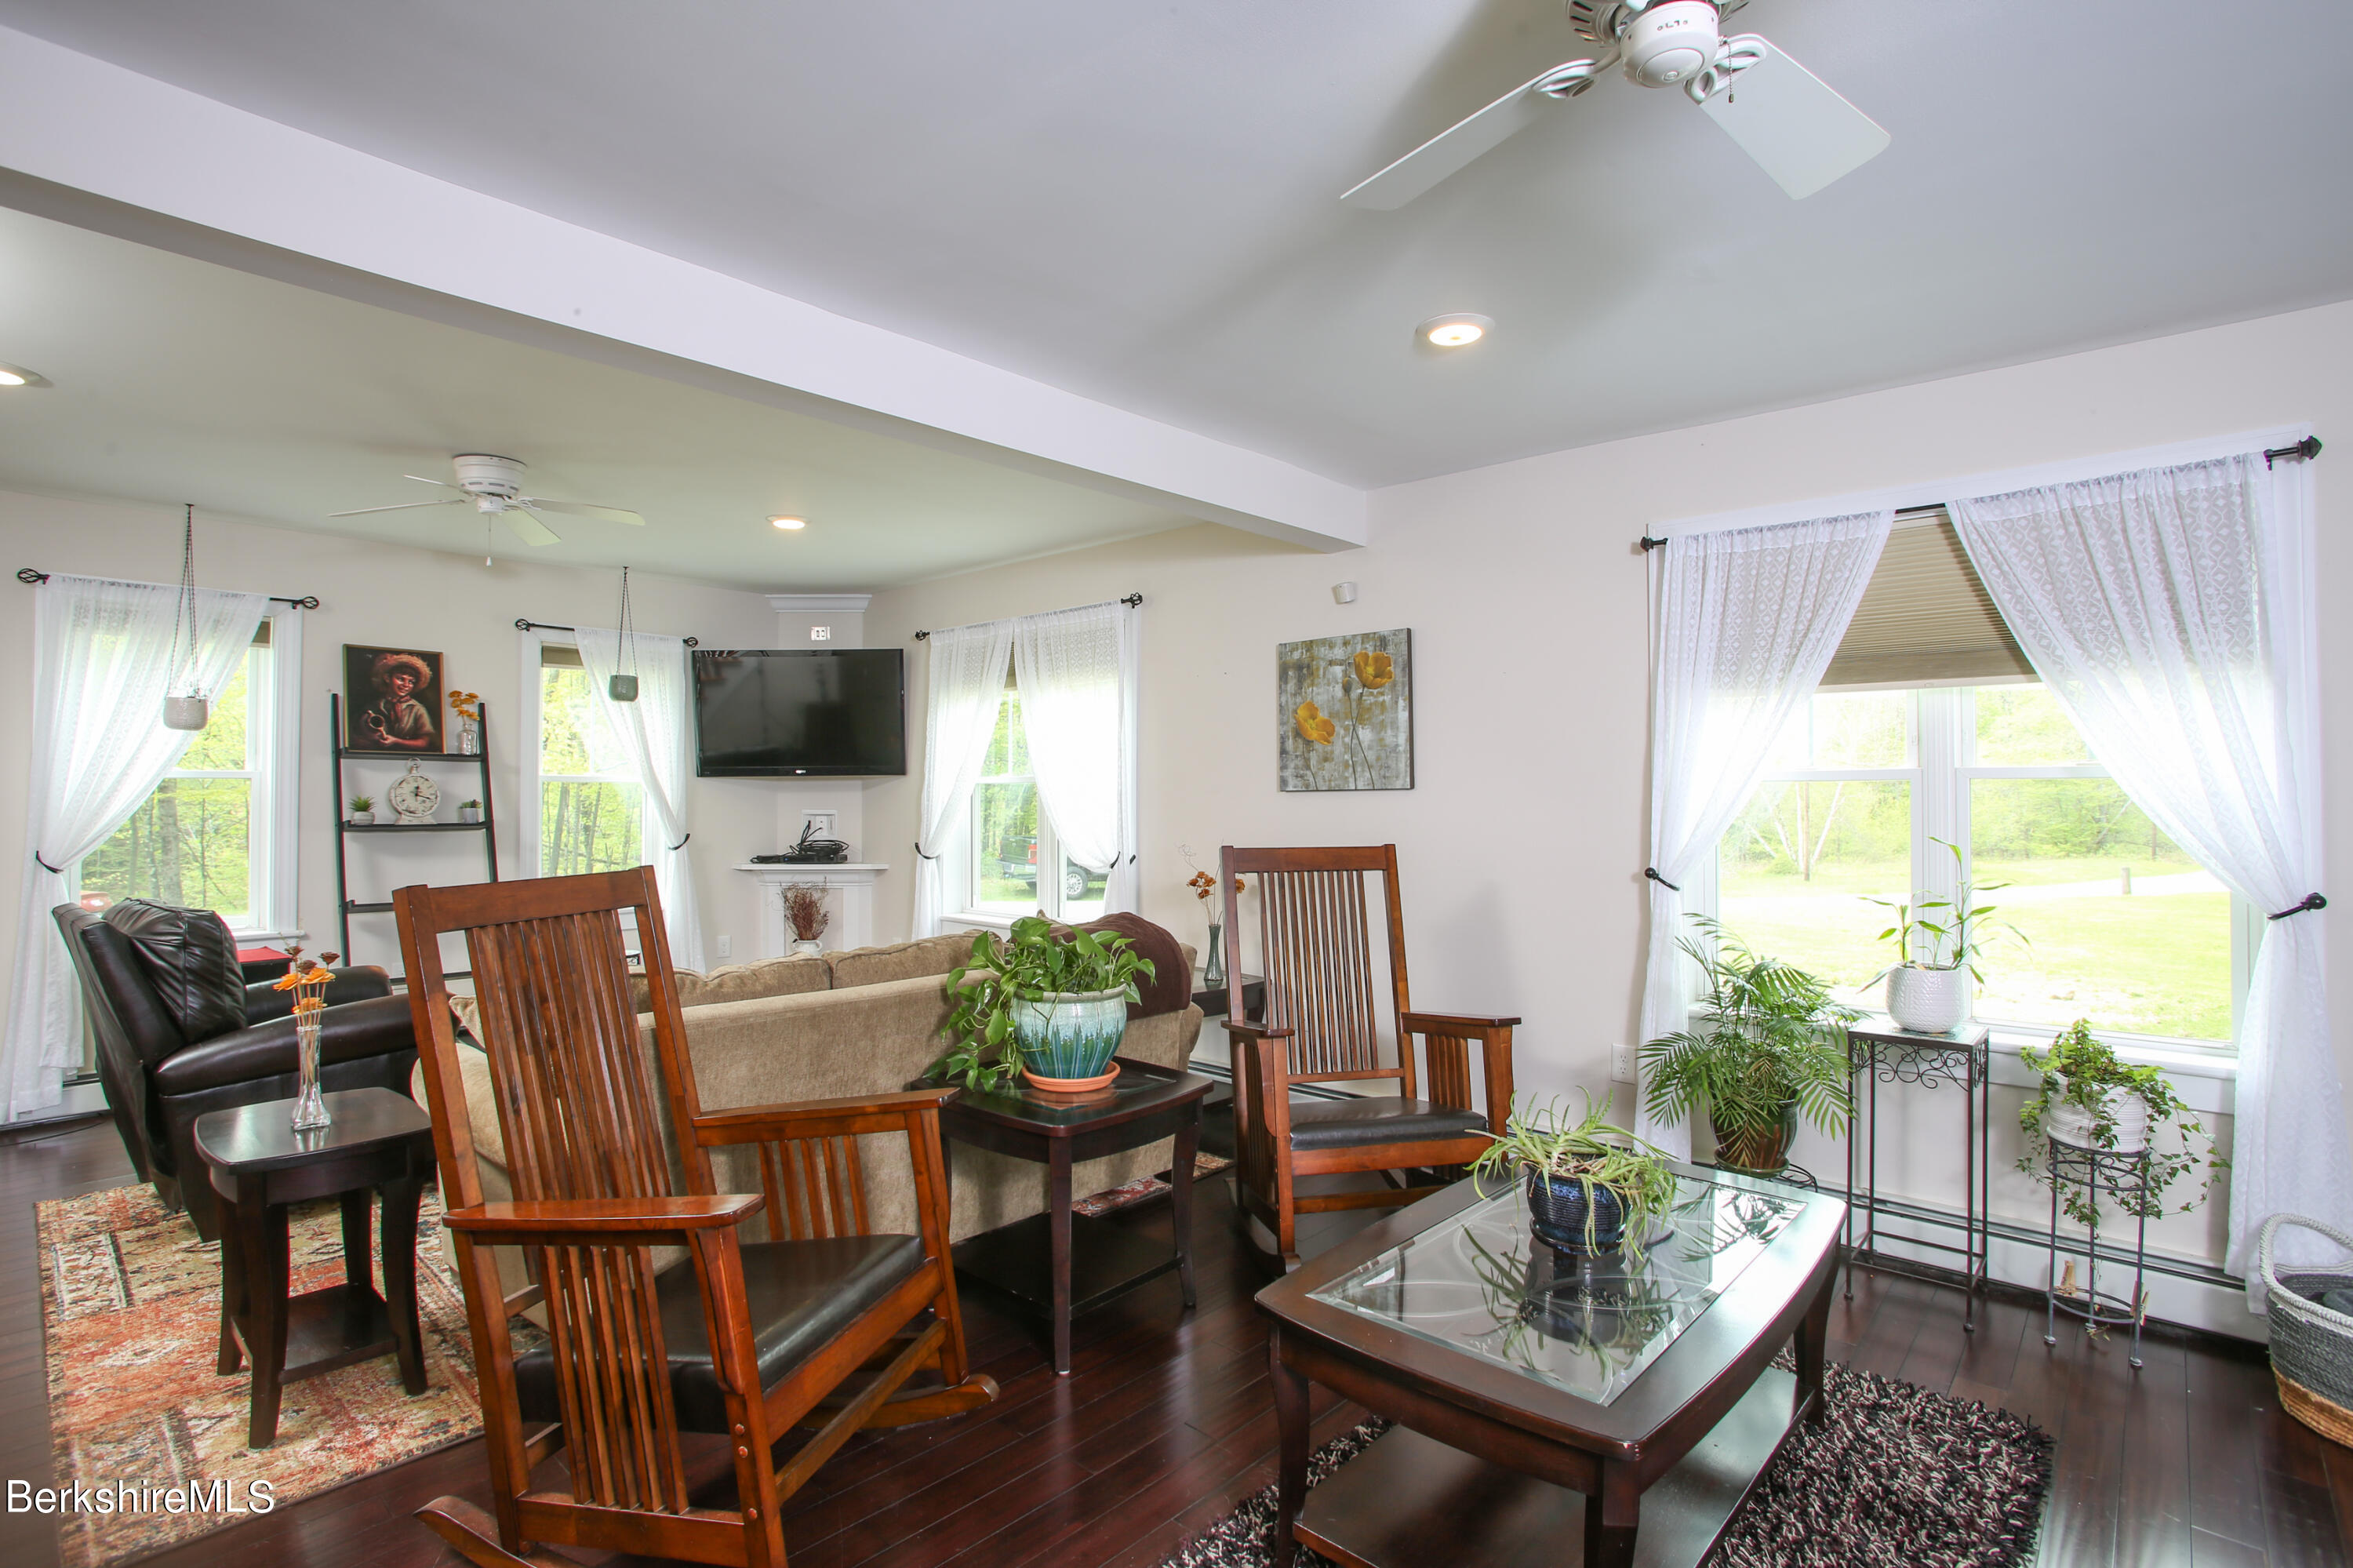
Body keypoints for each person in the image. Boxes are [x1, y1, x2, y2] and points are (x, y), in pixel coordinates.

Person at [361, 652, 438, 751]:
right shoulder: (375, 706)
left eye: (411, 682)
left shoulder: (417, 709)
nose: (406, 685)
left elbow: (424, 743)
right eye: (401, 679)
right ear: (387, 678)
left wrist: (396, 741)